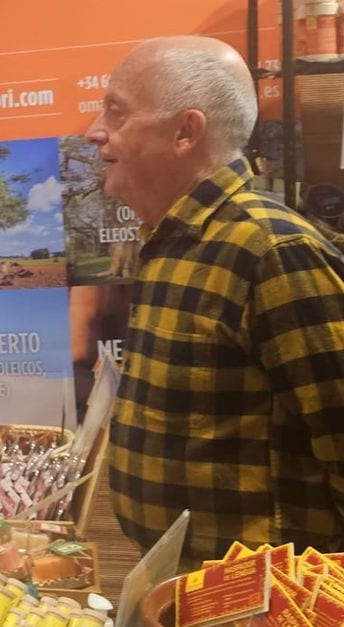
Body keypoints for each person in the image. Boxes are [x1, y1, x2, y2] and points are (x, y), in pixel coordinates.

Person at [86, 35, 344, 563]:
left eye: (115, 112)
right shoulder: (174, 240)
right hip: (189, 590)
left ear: (186, 131)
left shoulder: (271, 251)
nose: (93, 132)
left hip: (264, 615)